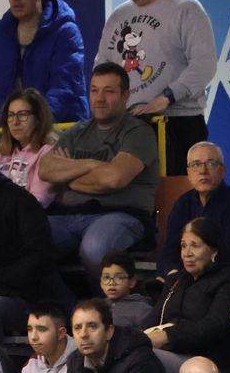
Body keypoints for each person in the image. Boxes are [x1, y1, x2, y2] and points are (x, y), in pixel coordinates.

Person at [96, 0, 217, 174]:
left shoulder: (186, 9)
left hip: (178, 123)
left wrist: (167, 97)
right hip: (127, 125)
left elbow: (204, 64)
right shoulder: (118, 16)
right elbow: (103, 67)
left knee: (174, 200)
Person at [38, 63, 161, 277]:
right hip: (68, 215)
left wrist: (69, 178)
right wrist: (92, 165)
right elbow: (46, 169)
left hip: (121, 215)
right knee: (25, 241)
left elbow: (113, 179)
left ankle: (101, 309)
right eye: (94, 90)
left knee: (94, 248)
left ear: (125, 96)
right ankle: (60, 306)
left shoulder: (138, 132)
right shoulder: (77, 132)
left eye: (108, 91)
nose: (99, 98)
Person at [145, 216, 230, 373]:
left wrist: (169, 336)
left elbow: (214, 325)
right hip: (169, 352)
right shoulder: (176, 280)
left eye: (195, 246)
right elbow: (153, 317)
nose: (187, 253)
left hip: (206, 361)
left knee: (143, 358)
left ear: (213, 251)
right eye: (183, 246)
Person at [159, 142, 230, 277]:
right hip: (190, 279)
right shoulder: (183, 204)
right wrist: (173, 273)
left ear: (223, 170)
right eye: (196, 164)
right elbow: (170, 249)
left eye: (211, 164)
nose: (203, 171)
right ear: (188, 173)